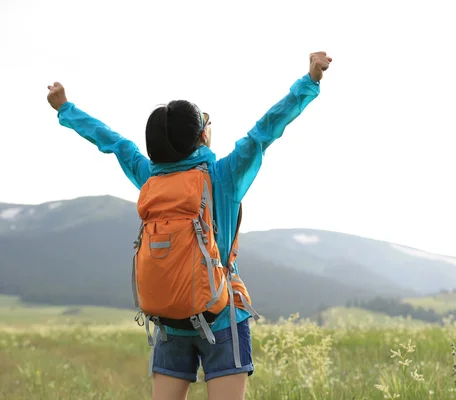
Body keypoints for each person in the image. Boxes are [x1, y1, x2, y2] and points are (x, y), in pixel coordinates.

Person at [46, 51, 332, 400]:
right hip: (223, 316)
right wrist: (309, 83)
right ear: (200, 137)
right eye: (205, 122)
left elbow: (116, 144)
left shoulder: (150, 177)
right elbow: (264, 132)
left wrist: (65, 108)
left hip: (169, 321)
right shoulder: (222, 177)